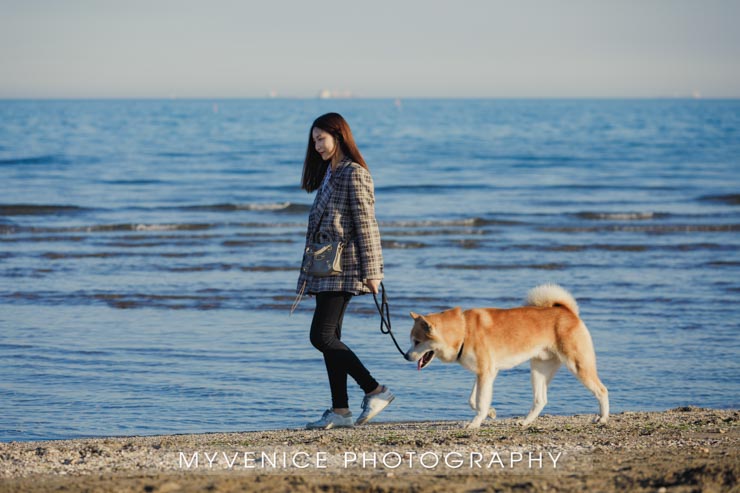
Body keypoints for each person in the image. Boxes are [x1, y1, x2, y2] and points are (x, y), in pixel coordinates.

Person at [296, 112, 394, 430]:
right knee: (331, 338)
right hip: (326, 267)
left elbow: (367, 225)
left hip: (347, 266)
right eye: (313, 141)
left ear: (338, 136)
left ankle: (375, 390)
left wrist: (373, 271)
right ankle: (340, 411)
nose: (317, 146)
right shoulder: (329, 173)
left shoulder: (354, 173)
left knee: (321, 336)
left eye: (321, 139)